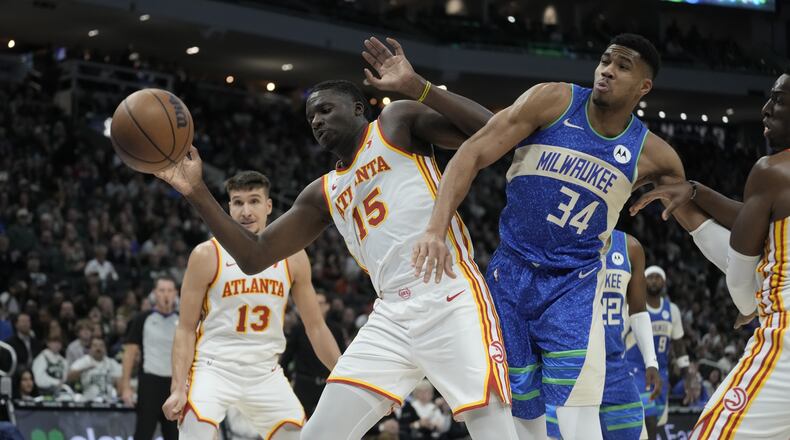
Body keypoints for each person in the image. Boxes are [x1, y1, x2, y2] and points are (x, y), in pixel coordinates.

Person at [155, 37, 517, 439]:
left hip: (450, 298)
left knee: (494, 431)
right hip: (391, 315)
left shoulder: (395, 124)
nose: (317, 121)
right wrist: (196, 192)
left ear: (358, 109)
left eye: (325, 110)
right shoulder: (322, 192)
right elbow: (255, 256)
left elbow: (494, 131)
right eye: (311, 117)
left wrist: (418, 87)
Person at [411, 33, 709, 439]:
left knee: (578, 417)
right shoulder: (553, 100)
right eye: (605, 60)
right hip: (510, 273)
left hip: (575, 286)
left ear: (644, 86)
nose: (608, 70)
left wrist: (742, 274)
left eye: (623, 66)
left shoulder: (654, 154)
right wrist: (435, 228)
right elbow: (472, 152)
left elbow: (698, 224)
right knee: (521, 411)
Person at [629, 72, 790, 439]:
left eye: (779, 100)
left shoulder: (772, 172)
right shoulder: (773, 188)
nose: (766, 109)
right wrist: (694, 193)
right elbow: (755, 216)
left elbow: (738, 272)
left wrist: (749, 304)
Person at [160, 171, 341, 440]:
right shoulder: (206, 255)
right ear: (229, 207)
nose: (246, 211)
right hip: (213, 367)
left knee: (297, 435)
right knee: (194, 430)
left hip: (265, 371)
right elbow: (185, 328)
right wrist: (178, 387)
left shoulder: (293, 256)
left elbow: (315, 327)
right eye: (238, 202)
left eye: (254, 201)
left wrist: (347, 375)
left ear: (268, 206)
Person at [547, 230, 661, 440]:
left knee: (636, 434)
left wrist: (651, 361)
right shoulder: (561, 240)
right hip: (571, 367)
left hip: (615, 368)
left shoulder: (630, 248)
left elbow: (638, 310)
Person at [622, 265, 692, 439]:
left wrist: (687, 376)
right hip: (636, 370)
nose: (654, 280)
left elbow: (678, 345)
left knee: (656, 420)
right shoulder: (634, 305)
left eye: (657, 277)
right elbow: (620, 335)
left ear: (664, 282)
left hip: (662, 372)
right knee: (648, 418)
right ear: (644, 281)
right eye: (650, 277)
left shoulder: (672, 310)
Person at [120, 276, 179, 440]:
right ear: (154, 294)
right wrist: (125, 386)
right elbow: (130, 352)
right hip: (149, 383)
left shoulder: (183, 321)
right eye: (161, 290)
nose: (166, 294)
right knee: (143, 434)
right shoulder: (142, 319)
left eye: (169, 290)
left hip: (175, 386)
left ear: (175, 293)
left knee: (175, 435)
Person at [281, 290, 346, 416]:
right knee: (300, 422)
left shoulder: (336, 330)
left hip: (327, 385)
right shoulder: (299, 329)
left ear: (327, 306)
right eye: (314, 302)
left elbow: (342, 357)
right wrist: (286, 380)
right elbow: (286, 358)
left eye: (320, 303)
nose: (316, 306)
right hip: (303, 385)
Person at [67, 337, 122, 401]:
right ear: (90, 349)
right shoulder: (84, 361)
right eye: (95, 346)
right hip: (88, 402)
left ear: (105, 349)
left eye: (101, 346)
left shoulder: (112, 363)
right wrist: (84, 369)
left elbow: (120, 383)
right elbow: (69, 377)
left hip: (108, 402)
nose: (98, 348)